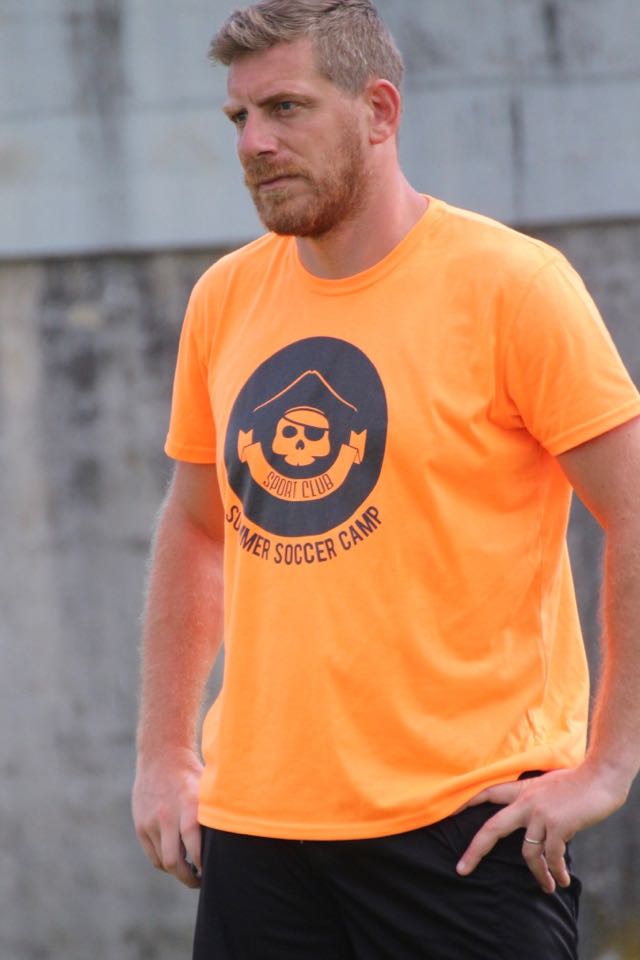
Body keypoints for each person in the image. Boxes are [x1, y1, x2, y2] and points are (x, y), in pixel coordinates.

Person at [131, 1, 640, 957]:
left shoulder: (512, 286)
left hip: (464, 831)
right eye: (239, 116)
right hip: (257, 833)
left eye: (286, 108)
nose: (254, 143)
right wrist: (164, 753)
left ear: (379, 110)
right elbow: (198, 526)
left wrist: (610, 764)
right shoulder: (224, 298)